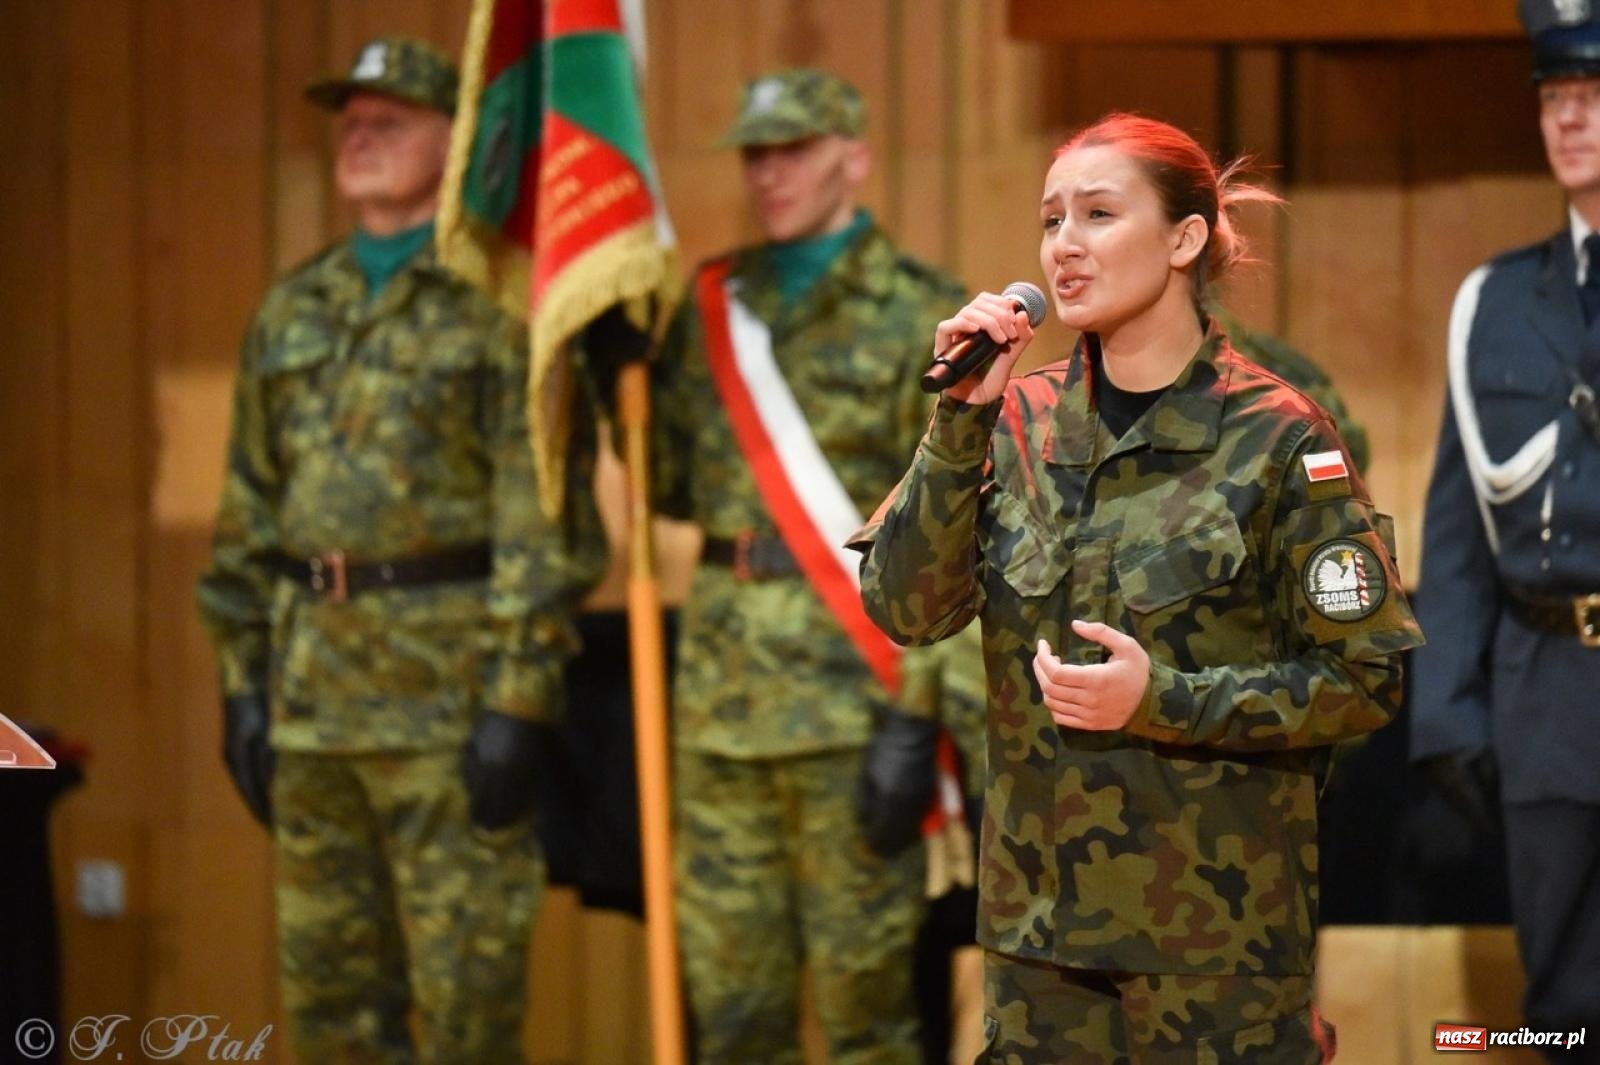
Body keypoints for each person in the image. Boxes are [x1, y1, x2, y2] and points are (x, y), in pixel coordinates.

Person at [851, 113, 1423, 1062]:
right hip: (1039, 942)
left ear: (1185, 238)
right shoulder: (1012, 420)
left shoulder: (1280, 436)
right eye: (1051, 220)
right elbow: (905, 608)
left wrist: (1163, 700)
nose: (1064, 246)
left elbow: (1366, 679)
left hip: (1216, 942)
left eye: (1099, 214)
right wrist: (959, 420)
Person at [195, 37, 605, 1062]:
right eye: (350, 114)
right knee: (334, 1018)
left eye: (392, 115)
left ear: (457, 142)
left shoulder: (500, 309)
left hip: (448, 712)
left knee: (468, 1017)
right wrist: (241, 684)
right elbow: (248, 510)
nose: (360, 130)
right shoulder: (292, 307)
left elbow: (540, 520)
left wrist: (516, 702)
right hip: (312, 711)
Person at [647, 68, 965, 1063]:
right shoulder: (706, 307)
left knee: (866, 1006)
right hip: (719, 704)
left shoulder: (920, 309)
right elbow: (666, 480)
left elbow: (945, 528)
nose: (769, 172)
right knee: (732, 1009)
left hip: (853, 699)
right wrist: (608, 370)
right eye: (755, 153)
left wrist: (915, 713)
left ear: (853, 157)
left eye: (793, 149)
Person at [1410, 2, 1600, 1056]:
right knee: (1564, 1009)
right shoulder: (1493, 301)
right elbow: (1453, 527)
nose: (1568, 120)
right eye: (1554, 98)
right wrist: (1444, 717)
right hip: (1550, 686)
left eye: (1592, 97)